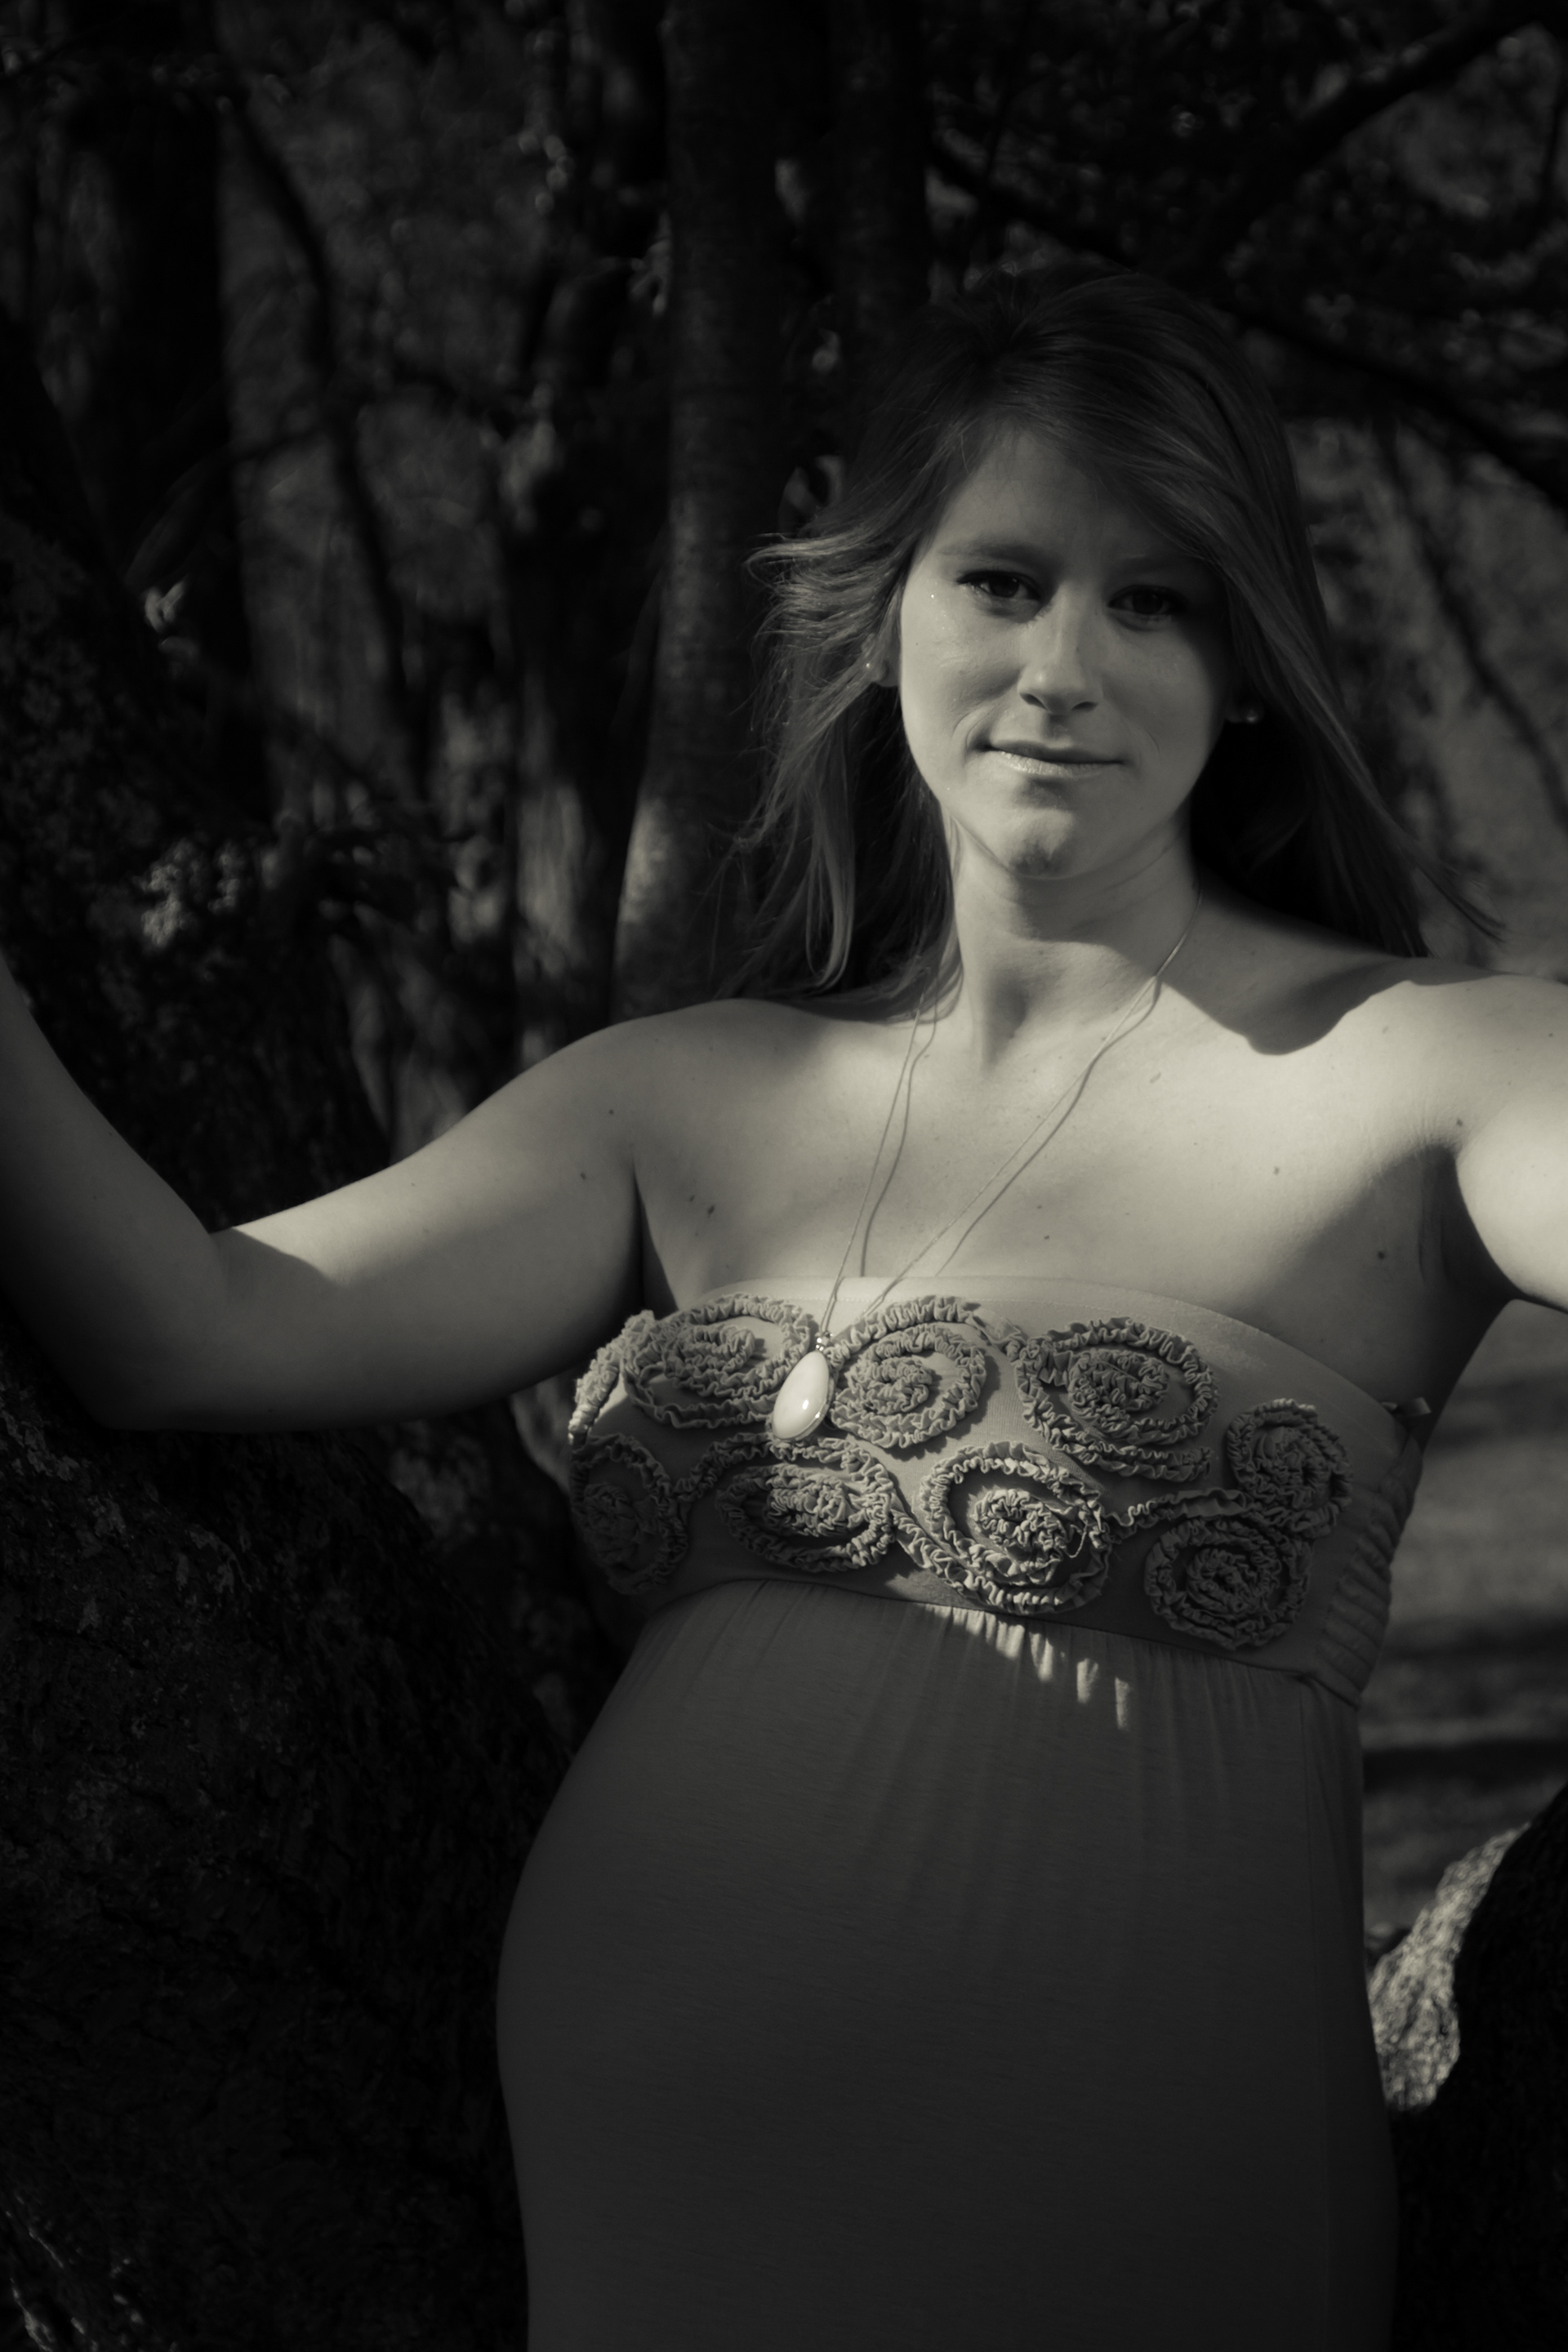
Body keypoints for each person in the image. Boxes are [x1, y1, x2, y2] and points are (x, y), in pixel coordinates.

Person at [2, 261, 1562, 2350]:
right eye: (1002, 581)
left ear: (1252, 664)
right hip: (655, 2216)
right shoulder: (684, 1094)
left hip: (1129, 2197)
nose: (1064, 667)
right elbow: (187, 1329)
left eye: (1155, 602)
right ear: (887, 607)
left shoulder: (1426, 1065)